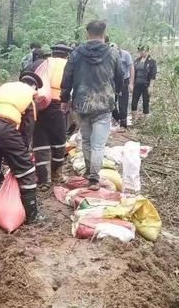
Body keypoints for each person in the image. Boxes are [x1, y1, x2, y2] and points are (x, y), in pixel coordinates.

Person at [60, 20, 124, 191]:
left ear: (87, 33)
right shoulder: (112, 53)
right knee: (98, 144)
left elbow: (67, 77)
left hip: (81, 103)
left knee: (87, 140)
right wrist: (116, 93)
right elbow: (120, 76)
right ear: (104, 33)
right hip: (103, 103)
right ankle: (94, 179)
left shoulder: (77, 53)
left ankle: (89, 172)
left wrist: (65, 99)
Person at [0, 71, 43, 223]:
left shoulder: (5, 88)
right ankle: (33, 216)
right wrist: (23, 153)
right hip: (6, 128)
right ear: (34, 87)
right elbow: (27, 128)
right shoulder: (29, 97)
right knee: (27, 171)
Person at [29, 43, 72, 190]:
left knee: (40, 140)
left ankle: (43, 180)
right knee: (58, 140)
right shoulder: (69, 64)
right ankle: (56, 174)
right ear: (67, 54)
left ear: (52, 53)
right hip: (58, 104)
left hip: (39, 105)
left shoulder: (43, 64)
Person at [106, 36, 134, 131]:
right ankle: (117, 118)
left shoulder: (126, 54)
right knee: (111, 103)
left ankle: (123, 124)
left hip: (124, 81)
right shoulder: (109, 56)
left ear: (119, 49)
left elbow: (131, 68)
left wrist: (131, 83)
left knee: (123, 103)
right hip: (112, 82)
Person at [131, 45, 157, 120]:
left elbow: (153, 75)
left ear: (148, 51)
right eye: (141, 50)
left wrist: (151, 86)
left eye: (144, 50)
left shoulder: (152, 61)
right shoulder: (136, 61)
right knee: (134, 102)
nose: (142, 52)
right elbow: (133, 73)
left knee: (146, 102)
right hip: (137, 84)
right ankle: (133, 118)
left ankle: (146, 119)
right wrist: (132, 84)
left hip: (146, 84)